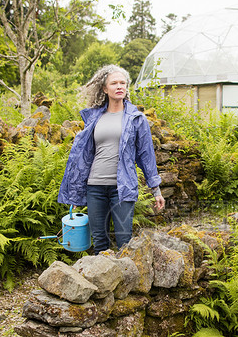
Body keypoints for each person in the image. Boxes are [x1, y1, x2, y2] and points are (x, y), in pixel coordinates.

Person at [58, 65, 165, 253]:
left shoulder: (136, 119)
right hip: (95, 187)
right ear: (105, 89)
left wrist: (156, 190)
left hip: (122, 188)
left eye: (122, 83)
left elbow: (146, 156)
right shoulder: (93, 118)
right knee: (100, 242)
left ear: (126, 88)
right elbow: (83, 157)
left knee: (125, 241)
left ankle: (125, 282)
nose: (119, 86)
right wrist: (76, 191)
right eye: (114, 83)